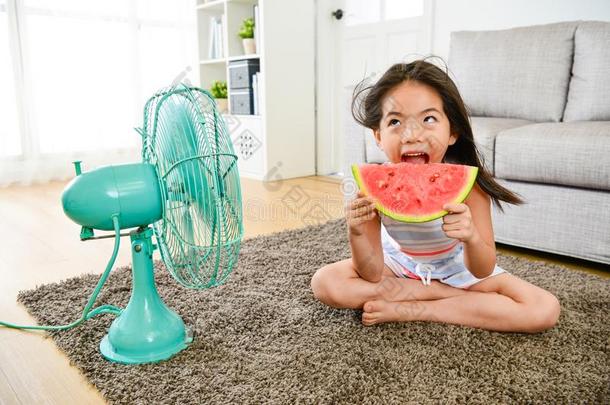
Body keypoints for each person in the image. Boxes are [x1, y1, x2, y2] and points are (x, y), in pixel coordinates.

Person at [310, 60, 560, 333]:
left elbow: (483, 269)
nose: (412, 134)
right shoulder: (375, 188)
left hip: (458, 271)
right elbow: (370, 272)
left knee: (544, 309)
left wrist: (471, 237)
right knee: (326, 282)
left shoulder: (470, 189)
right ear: (378, 136)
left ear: (452, 131)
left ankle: (423, 307)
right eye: (395, 121)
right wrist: (356, 233)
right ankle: (453, 301)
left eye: (428, 119)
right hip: (399, 267)